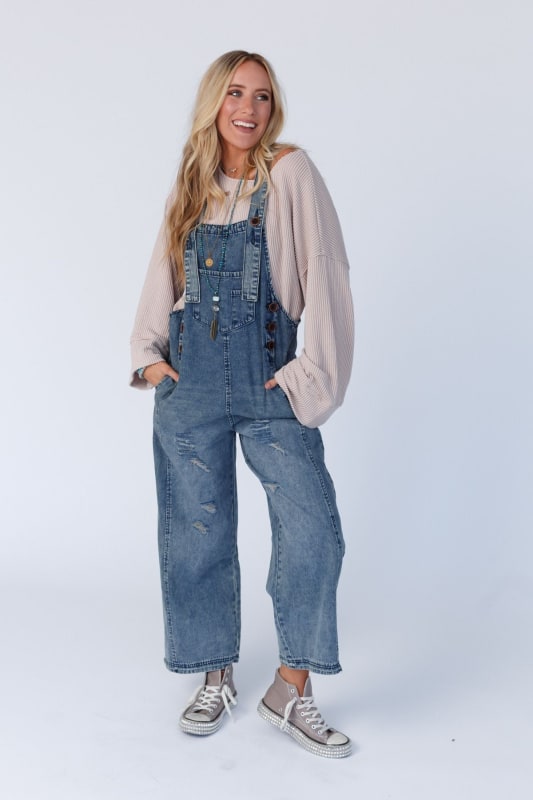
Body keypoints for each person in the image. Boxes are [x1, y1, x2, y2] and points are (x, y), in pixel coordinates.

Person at [130, 50, 354, 759]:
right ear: (214, 103)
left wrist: (311, 378)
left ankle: (291, 688)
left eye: (261, 95)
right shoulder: (193, 183)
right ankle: (213, 673)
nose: (248, 108)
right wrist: (149, 356)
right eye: (234, 93)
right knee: (196, 532)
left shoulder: (289, 172)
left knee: (313, 530)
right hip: (191, 383)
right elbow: (162, 269)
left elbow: (326, 274)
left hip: (269, 382)